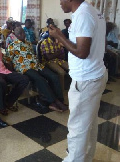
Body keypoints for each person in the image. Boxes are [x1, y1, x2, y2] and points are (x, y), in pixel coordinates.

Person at [48, 1, 108, 161]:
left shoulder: (83, 14)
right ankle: (86, 157)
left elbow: (82, 52)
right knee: (89, 123)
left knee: (77, 128)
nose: (59, 2)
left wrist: (59, 36)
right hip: (95, 74)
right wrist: (63, 40)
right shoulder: (93, 11)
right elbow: (98, 44)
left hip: (85, 80)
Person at [5, 27, 67, 112]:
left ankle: (60, 99)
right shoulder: (12, 46)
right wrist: (13, 73)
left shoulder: (28, 43)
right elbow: (8, 60)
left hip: (36, 65)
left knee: (54, 76)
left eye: (22, 32)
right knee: (40, 79)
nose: (22, 35)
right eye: (19, 34)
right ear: (15, 35)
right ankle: (53, 102)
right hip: (24, 67)